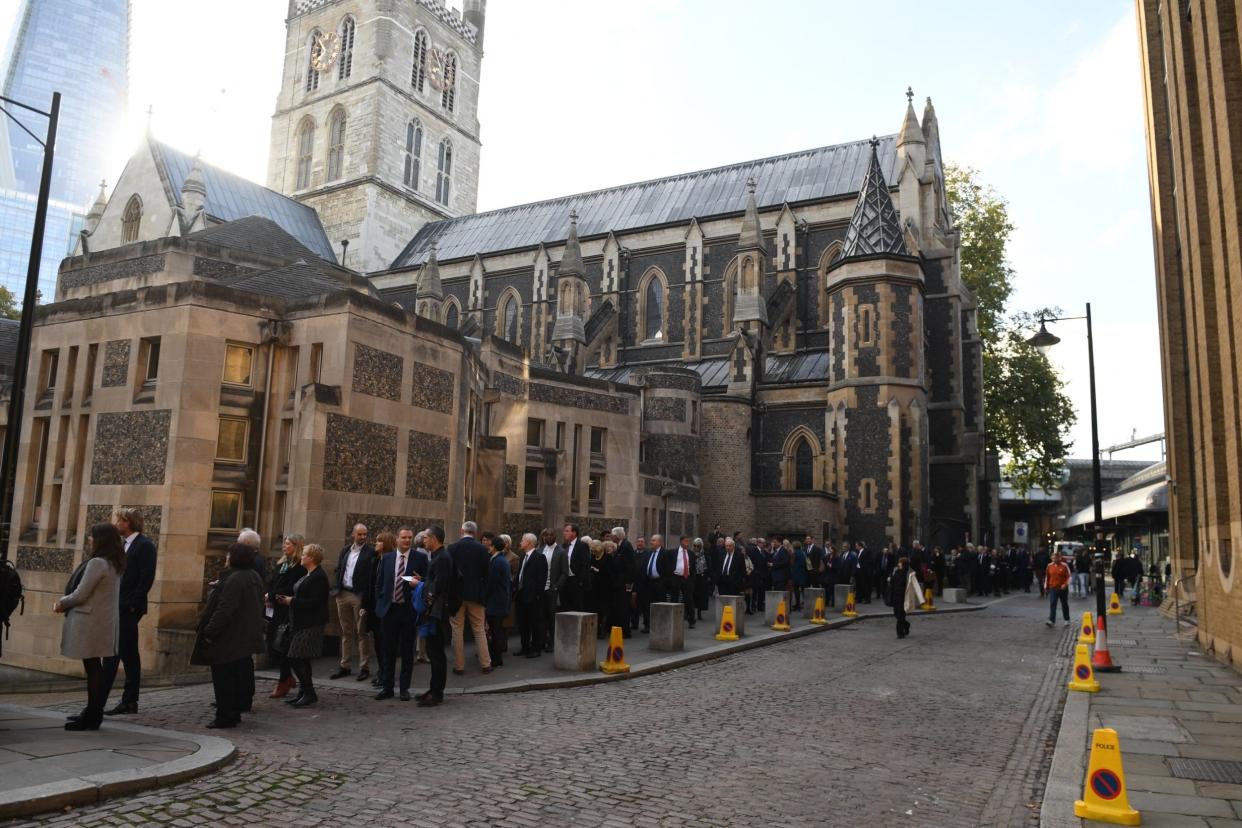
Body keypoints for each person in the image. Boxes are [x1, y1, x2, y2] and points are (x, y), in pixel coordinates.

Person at [57, 522, 124, 731]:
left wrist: (61, 602)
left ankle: (93, 715)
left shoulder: (98, 563)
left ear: (100, 539)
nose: (89, 539)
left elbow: (81, 594)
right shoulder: (115, 562)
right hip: (103, 622)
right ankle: (92, 712)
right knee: (95, 666)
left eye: (91, 536)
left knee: (93, 667)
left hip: (91, 622)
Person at [192, 543, 265, 729]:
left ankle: (225, 715)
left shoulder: (236, 579)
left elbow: (225, 610)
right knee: (238, 675)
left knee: (225, 678)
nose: (226, 558)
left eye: (228, 555)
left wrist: (209, 632)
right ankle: (234, 711)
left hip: (229, 637)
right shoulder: (252, 576)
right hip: (243, 636)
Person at [100, 508, 156, 717]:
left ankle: (105, 701)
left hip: (128, 608)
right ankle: (128, 701)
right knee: (127, 653)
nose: (116, 524)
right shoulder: (122, 545)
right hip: (117, 605)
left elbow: (146, 577)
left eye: (120, 520)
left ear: (129, 522)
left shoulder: (145, 546)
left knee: (117, 653)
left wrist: (133, 603)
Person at [278, 543, 330, 707]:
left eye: (304, 554)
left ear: (312, 558)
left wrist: (291, 601)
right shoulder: (309, 574)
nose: (301, 556)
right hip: (299, 622)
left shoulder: (319, 577)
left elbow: (315, 602)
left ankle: (309, 692)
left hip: (310, 624)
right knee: (300, 658)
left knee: (296, 657)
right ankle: (304, 692)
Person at [373, 530, 421, 700]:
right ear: (397, 539)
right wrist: (380, 604)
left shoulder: (419, 558)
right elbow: (379, 583)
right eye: (404, 537)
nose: (407, 540)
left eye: (410, 538)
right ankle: (387, 687)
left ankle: (404, 688)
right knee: (388, 650)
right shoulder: (387, 558)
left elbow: (428, 582)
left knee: (407, 651)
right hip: (389, 610)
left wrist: (420, 582)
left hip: (408, 610)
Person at [448, 521, 492, 675]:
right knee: (479, 630)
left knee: (457, 631)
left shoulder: (452, 548)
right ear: (475, 532)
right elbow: (487, 575)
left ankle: (459, 666)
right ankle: (486, 664)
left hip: (457, 596)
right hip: (476, 595)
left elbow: (449, 574)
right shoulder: (482, 549)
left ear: (462, 531)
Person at [331, 523, 374, 681]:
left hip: (358, 596)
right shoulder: (345, 550)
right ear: (353, 535)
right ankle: (345, 665)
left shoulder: (370, 553)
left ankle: (364, 667)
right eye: (360, 534)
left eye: (365, 534)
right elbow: (339, 569)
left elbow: (371, 577)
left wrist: (365, 600)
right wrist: (337, 587)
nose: (363, 537)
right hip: (342, 594)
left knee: (362, 632)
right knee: (346, 632)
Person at [266, 533, 307, 699]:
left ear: (296, 546)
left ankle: (284, 679)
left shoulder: (299, 567)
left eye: (288, 543)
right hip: (275, 608)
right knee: (272, 643)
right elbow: (273, 581)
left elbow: (291, 588)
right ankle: (287, 677)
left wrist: (272, 595)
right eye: (284, 543)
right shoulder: (282, 563)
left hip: (287, 610)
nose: (284, 546)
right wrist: (268, 595)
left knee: (282, 645)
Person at [417, 526, 452, 707]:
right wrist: (423, 581)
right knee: (433, 652)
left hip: (437, 614)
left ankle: (437, 693)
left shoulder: (442, 558)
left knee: (437, 654)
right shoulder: (437, 557)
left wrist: (419, 586)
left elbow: (439, 588)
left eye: (426, 538)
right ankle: (433, 689)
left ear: (434, 539)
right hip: (434, 612)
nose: (424, 541)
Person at [514, 533, 546, 658]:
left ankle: (536, 649)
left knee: (534, 623)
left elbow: (541, 579)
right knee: (523, 623)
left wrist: (537, 595)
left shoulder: (539, 557)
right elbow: (520, 575)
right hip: (521, 595)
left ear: (529, 543)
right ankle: (525, 647)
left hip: (533, 597)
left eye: (522, 540)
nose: (520, 542)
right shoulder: (523, 557)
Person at [485, 534, 511, 666]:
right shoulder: (501, 560)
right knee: (497, 630)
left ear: (494, 547)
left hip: (496, 602)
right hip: (500, 601)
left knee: (495, 631)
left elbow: (492, 583)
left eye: (490, 546)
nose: (488, 548)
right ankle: (497, 657)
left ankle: (496, 659)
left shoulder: (497, 561)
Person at [540, 529, 568, 651]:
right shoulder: (540, 550)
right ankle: (541, 641)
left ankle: (552, 642)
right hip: (541, 589)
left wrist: (556, 586)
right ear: (543, 537)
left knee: (552, 617)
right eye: (546, 535)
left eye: (551, 535)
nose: (549, 537)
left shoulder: (561, 552)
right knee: (541, 617)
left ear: (555, 536)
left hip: (552, 589)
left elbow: (565, 572)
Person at [612, 528, 637, 638]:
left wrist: (628, 583)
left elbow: (630, 566)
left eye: (613, 535)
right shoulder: (620, 546)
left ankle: (626, 631)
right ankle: (621, 629)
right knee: (620, 607)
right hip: (619, 583)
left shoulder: (626, 546)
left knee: (624, 607)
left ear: (617, 536)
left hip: (624, 583)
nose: (611, 537)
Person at [562, 523, 589, 612]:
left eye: (567, 531)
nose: (564, 533)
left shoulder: (582, 546)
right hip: (565, 580)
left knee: (577, 607)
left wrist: (580, 581)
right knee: (565, 606)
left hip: (576, 581)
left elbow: (585, 565)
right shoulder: (564, 545)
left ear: (574, 533)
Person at [1044, 551, 1072, 628]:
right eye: (1052, 558)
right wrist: (1046, 588)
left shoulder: (1064, 565)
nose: (1053, 559)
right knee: (1053, 604)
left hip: (1062, 588)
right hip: (1053, 588)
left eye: (1055, 558)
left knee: (1064, 604)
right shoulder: (1049, 566)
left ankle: (1067, 620)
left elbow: (1069, 576)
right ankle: (1051, 621)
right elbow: (1047, 577)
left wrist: (1065, 584)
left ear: (1059, 558)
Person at [888, 557, 912, 638]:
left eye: (900, 562)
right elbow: (892, 582)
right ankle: (906, 625)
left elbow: (909, 585)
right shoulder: (896, 571)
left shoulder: (908, 573)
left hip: (903, 597)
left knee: (900, 615)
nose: (898, 564)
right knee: (896, 614)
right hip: (896, 596)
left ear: (903, 564)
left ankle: (900, 633)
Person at [691, 538, 711, 621]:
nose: (696, 548)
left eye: (698, 546)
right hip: (694, 577)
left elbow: (709, 565)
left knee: (701, 595)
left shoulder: (705, 554)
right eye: (695, 546)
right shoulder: (691, 554)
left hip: (702, 577)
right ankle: (691, 613)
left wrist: (709, 576)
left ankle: (699, 612)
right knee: (692, 595)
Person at [791, 540, 808, 611]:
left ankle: (797, 604)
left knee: (796, 588)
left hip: (796, 572)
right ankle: (805, 603)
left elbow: (791, 563)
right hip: (803, 572)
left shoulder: (794, 553)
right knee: (803, 589)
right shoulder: (803, 553)